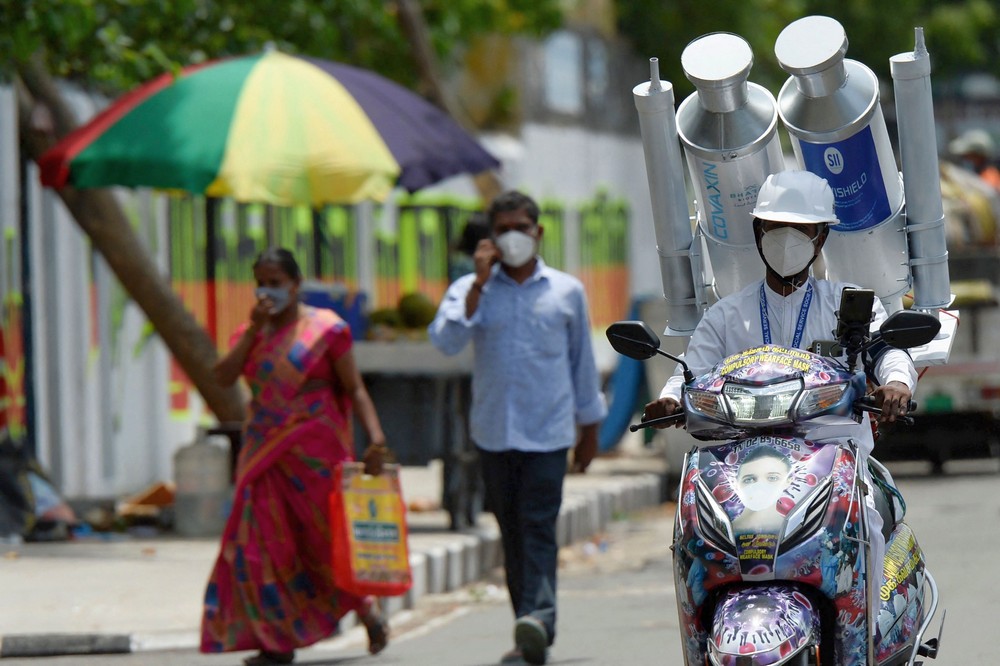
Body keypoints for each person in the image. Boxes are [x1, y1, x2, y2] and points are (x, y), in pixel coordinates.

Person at [643, 169, 916, 633]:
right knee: (691, 534)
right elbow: (689, 371)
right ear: (757, 233)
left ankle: (862, 640)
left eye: (802, 231)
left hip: (834, 459)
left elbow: (889, 353)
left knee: (865, 526)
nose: (787, 241)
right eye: (776, 229)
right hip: (741, 464)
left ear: (821, 236)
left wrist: (897, 384)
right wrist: (670, 400)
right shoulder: (726, 314)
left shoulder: (850, 306)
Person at [428, 190, 607, 666]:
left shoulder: (566, 291)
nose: (512, 237)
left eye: (520, 228)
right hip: (493, 432)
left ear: (538, 232)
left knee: (538, 526)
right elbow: (445, 341)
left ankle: (539, 617)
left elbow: (581, 364)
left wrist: (591, 430)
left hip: (548, 432)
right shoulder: (472, 289)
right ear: (490, 237)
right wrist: (478, 285)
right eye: (502, 229)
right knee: (511, 533)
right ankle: (529, 626)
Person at [200, 248, 391, 666]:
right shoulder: (250, 335)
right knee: (262, 547)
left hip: (316, 457)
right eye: (260, 281)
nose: (267, 290)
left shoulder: (327, 330)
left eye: (275, 281)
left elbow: (354, 388)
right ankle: (276, 641)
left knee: (322, 543)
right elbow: (223, 376)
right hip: (265, 455)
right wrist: (252, 331)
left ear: (295, 284)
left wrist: (375, 439)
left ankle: (365, 609)